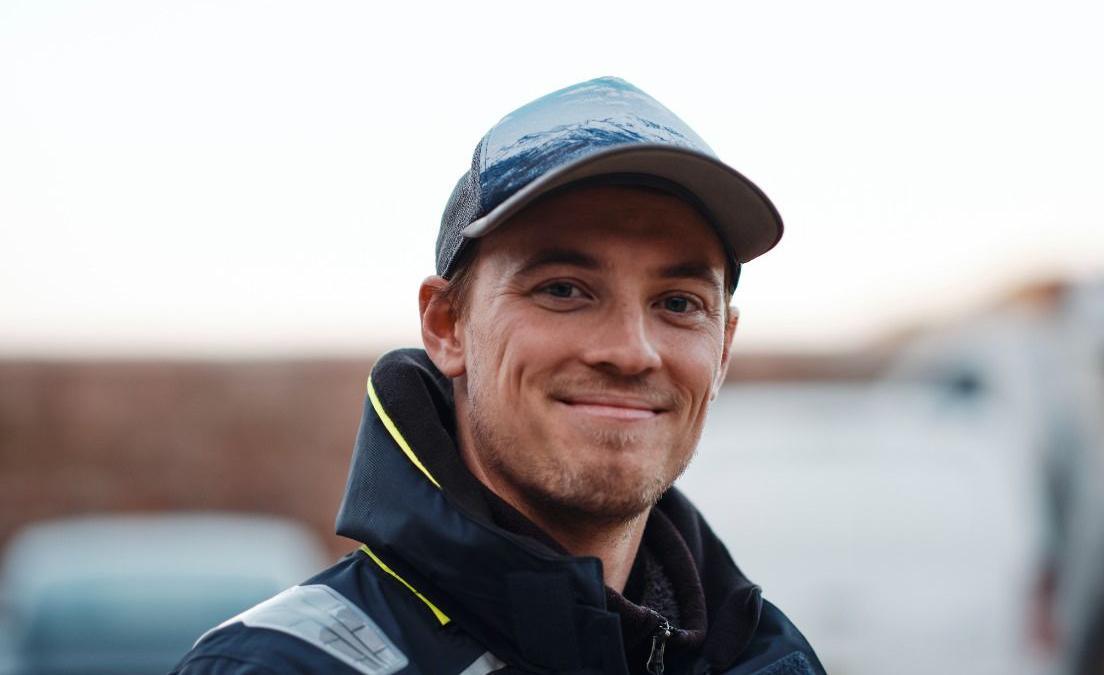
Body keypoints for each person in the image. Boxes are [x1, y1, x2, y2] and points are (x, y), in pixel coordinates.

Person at [173, 76, 824, 675]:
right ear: (447, 325)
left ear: (724, 348)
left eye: (678, 303)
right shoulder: (275, 665)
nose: (632, 351)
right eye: (565, 289)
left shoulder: (774, 658)